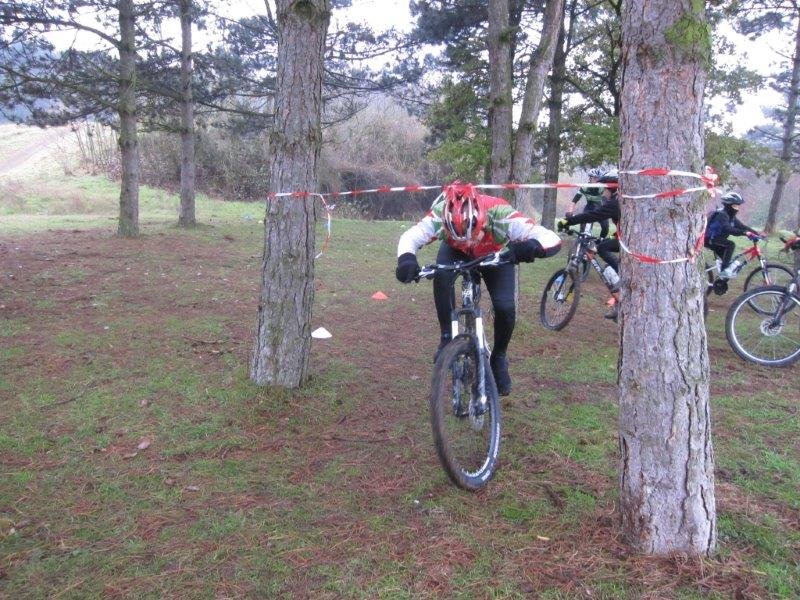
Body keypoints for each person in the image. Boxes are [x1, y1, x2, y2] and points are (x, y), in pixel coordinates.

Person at [395, 181, 562, 396]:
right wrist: (406, 260)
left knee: (504, 307)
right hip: (455, 253)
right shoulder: (439, 214)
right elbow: (411, 236)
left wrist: (529, 247)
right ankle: (446, 336)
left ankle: (499, 356)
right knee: (442, 276)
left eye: (473, 233)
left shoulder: (499, 212)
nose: (468, 241)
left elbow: (550, 237)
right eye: (458, 234)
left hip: (495, 253)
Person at [557, 170, 621, 320]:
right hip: (624, 239)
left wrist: (568, 221)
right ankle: (619, 303)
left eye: (605, 188)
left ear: (612, 188)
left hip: (629, 243)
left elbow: (593, 215)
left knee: (604, 248)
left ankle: (621, 277)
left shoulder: (615, 203)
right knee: (604, 246)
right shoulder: (618, 202)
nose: (603, 191)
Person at [704, 192, 762, 278]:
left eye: (738, 206)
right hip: (710, 240)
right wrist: (745, 233)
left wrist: (757, 234)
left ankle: (721, 280)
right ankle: (723, 271)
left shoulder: (730, 216)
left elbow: (742, 226)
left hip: (717, 240)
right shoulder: (722, 215)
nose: (737, 209)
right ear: (728, 206)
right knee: (730, 245)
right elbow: (728, 229)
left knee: (728, 260)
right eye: (735, 206)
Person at [566, 168, 609, 238]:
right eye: (594, 178)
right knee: (583, 226)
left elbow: (607, 200)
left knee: (605, 228)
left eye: (598, 179)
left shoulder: (602, 188)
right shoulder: (584, 187)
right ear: (590, 178)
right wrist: (570, 212)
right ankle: (580, 243)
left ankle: (600, 242)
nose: (596, 181)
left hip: (600, 207)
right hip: (589, 206)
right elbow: (574, 201)